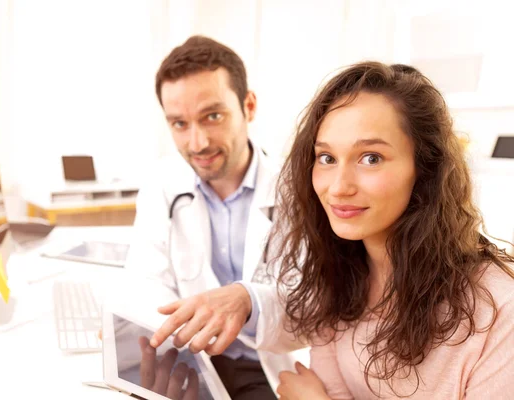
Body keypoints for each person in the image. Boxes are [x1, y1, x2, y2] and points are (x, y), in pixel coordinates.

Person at [152, 61, 514, 399]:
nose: (338, 186)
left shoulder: (499, 310)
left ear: (426, 167)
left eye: (371, 158)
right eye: (326, 158)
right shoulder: (341, 281)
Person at [124, 35, 306, 399]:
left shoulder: (299, 190)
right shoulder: (162, 185)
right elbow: (145, 282)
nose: (197, 143)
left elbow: (315, 304)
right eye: (179, 123)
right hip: (191, 364)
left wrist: (249, 302)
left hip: (266, 367)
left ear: (248, 106)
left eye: (213, 116)